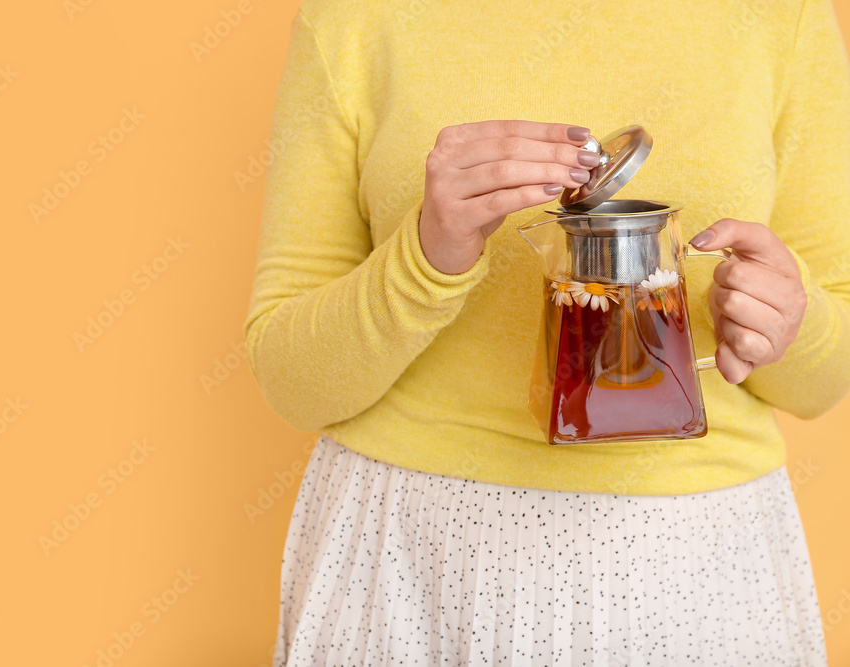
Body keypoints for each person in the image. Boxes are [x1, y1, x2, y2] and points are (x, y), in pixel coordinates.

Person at [244, 0, 850, 664]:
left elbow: (827, 377)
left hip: (697, 567)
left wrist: (789, 321)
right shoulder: (352, 20)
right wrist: (424, 257)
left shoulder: (781, 18)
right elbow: (292, 382)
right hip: (414, 556)